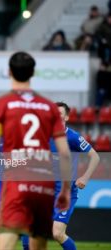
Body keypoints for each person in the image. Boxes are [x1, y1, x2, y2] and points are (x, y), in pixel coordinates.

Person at [0, 52, 71, 250]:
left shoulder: (1, 104)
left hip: (15, 180)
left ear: (9, 72)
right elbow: (64, 153)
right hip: (44, 182)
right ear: (33, 72)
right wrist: (65, 189)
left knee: (7, 238)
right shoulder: (49, 107)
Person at [50, 102, 100, 250]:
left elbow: (95, 157)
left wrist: (85, 177)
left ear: (66, 117)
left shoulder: (73, 137)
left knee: (57, 233)